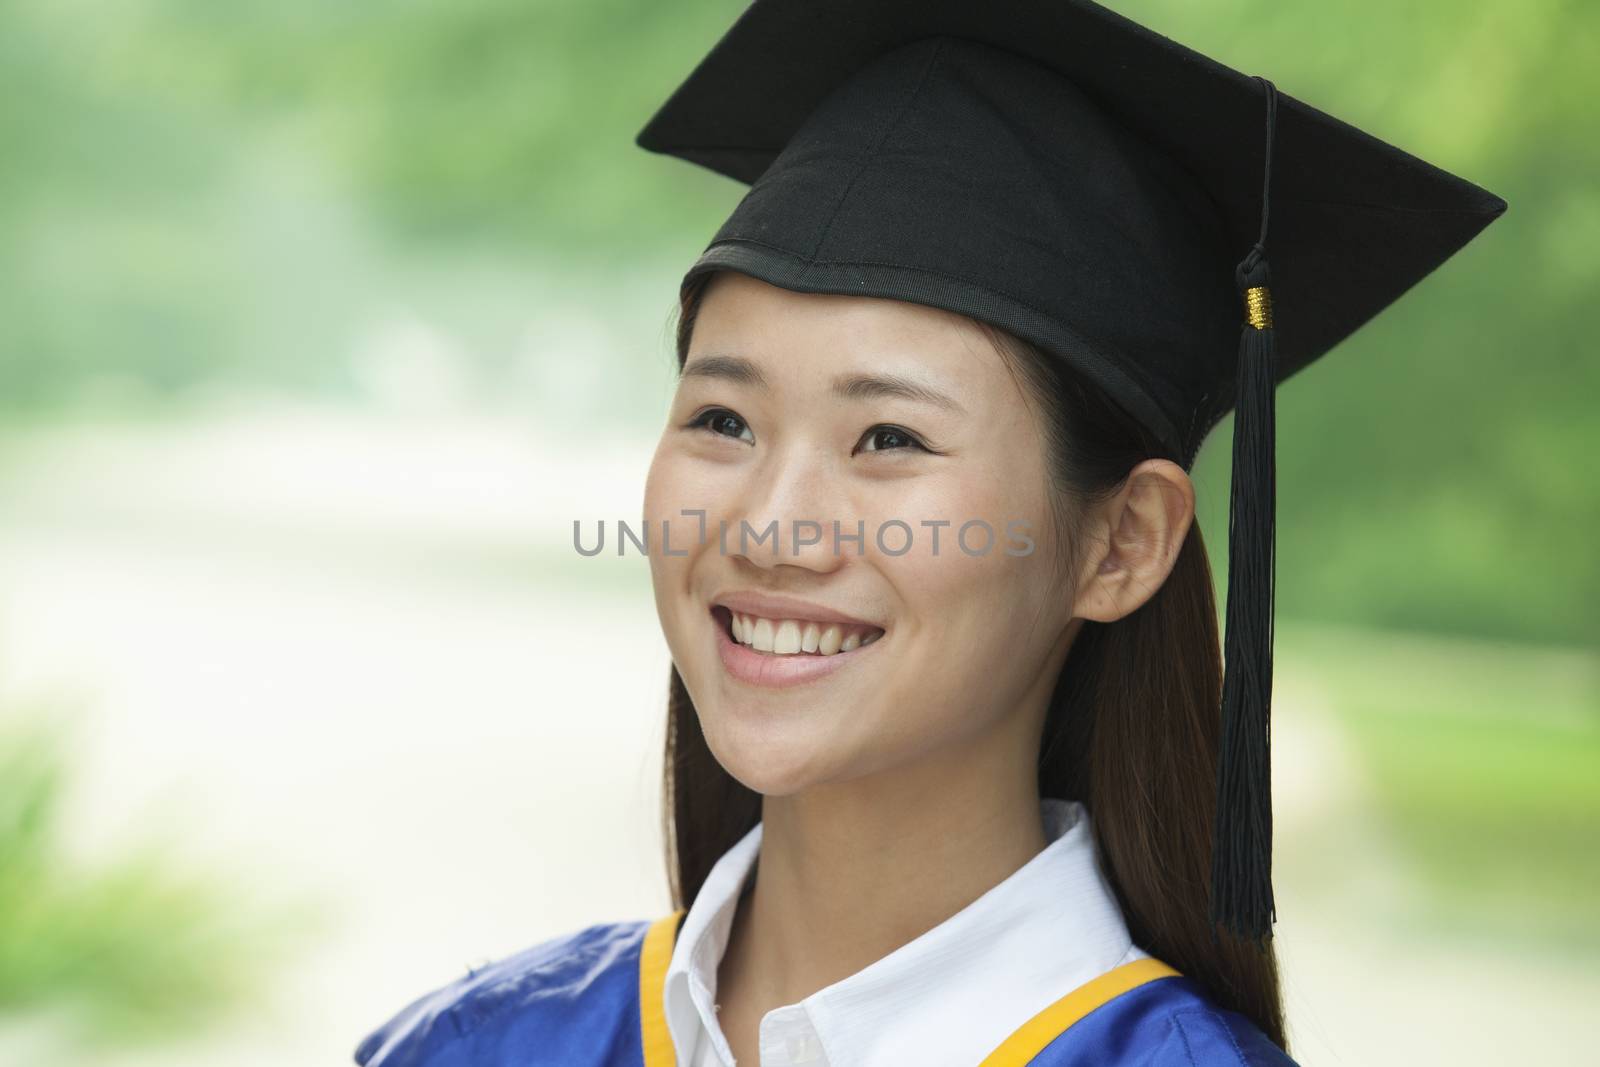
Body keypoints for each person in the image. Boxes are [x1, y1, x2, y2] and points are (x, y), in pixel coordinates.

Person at [352, 1, 1505, 1064]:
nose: (768, 526)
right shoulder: (480, 1042)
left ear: (1121, 545)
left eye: (889, 439)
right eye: (722, 418)